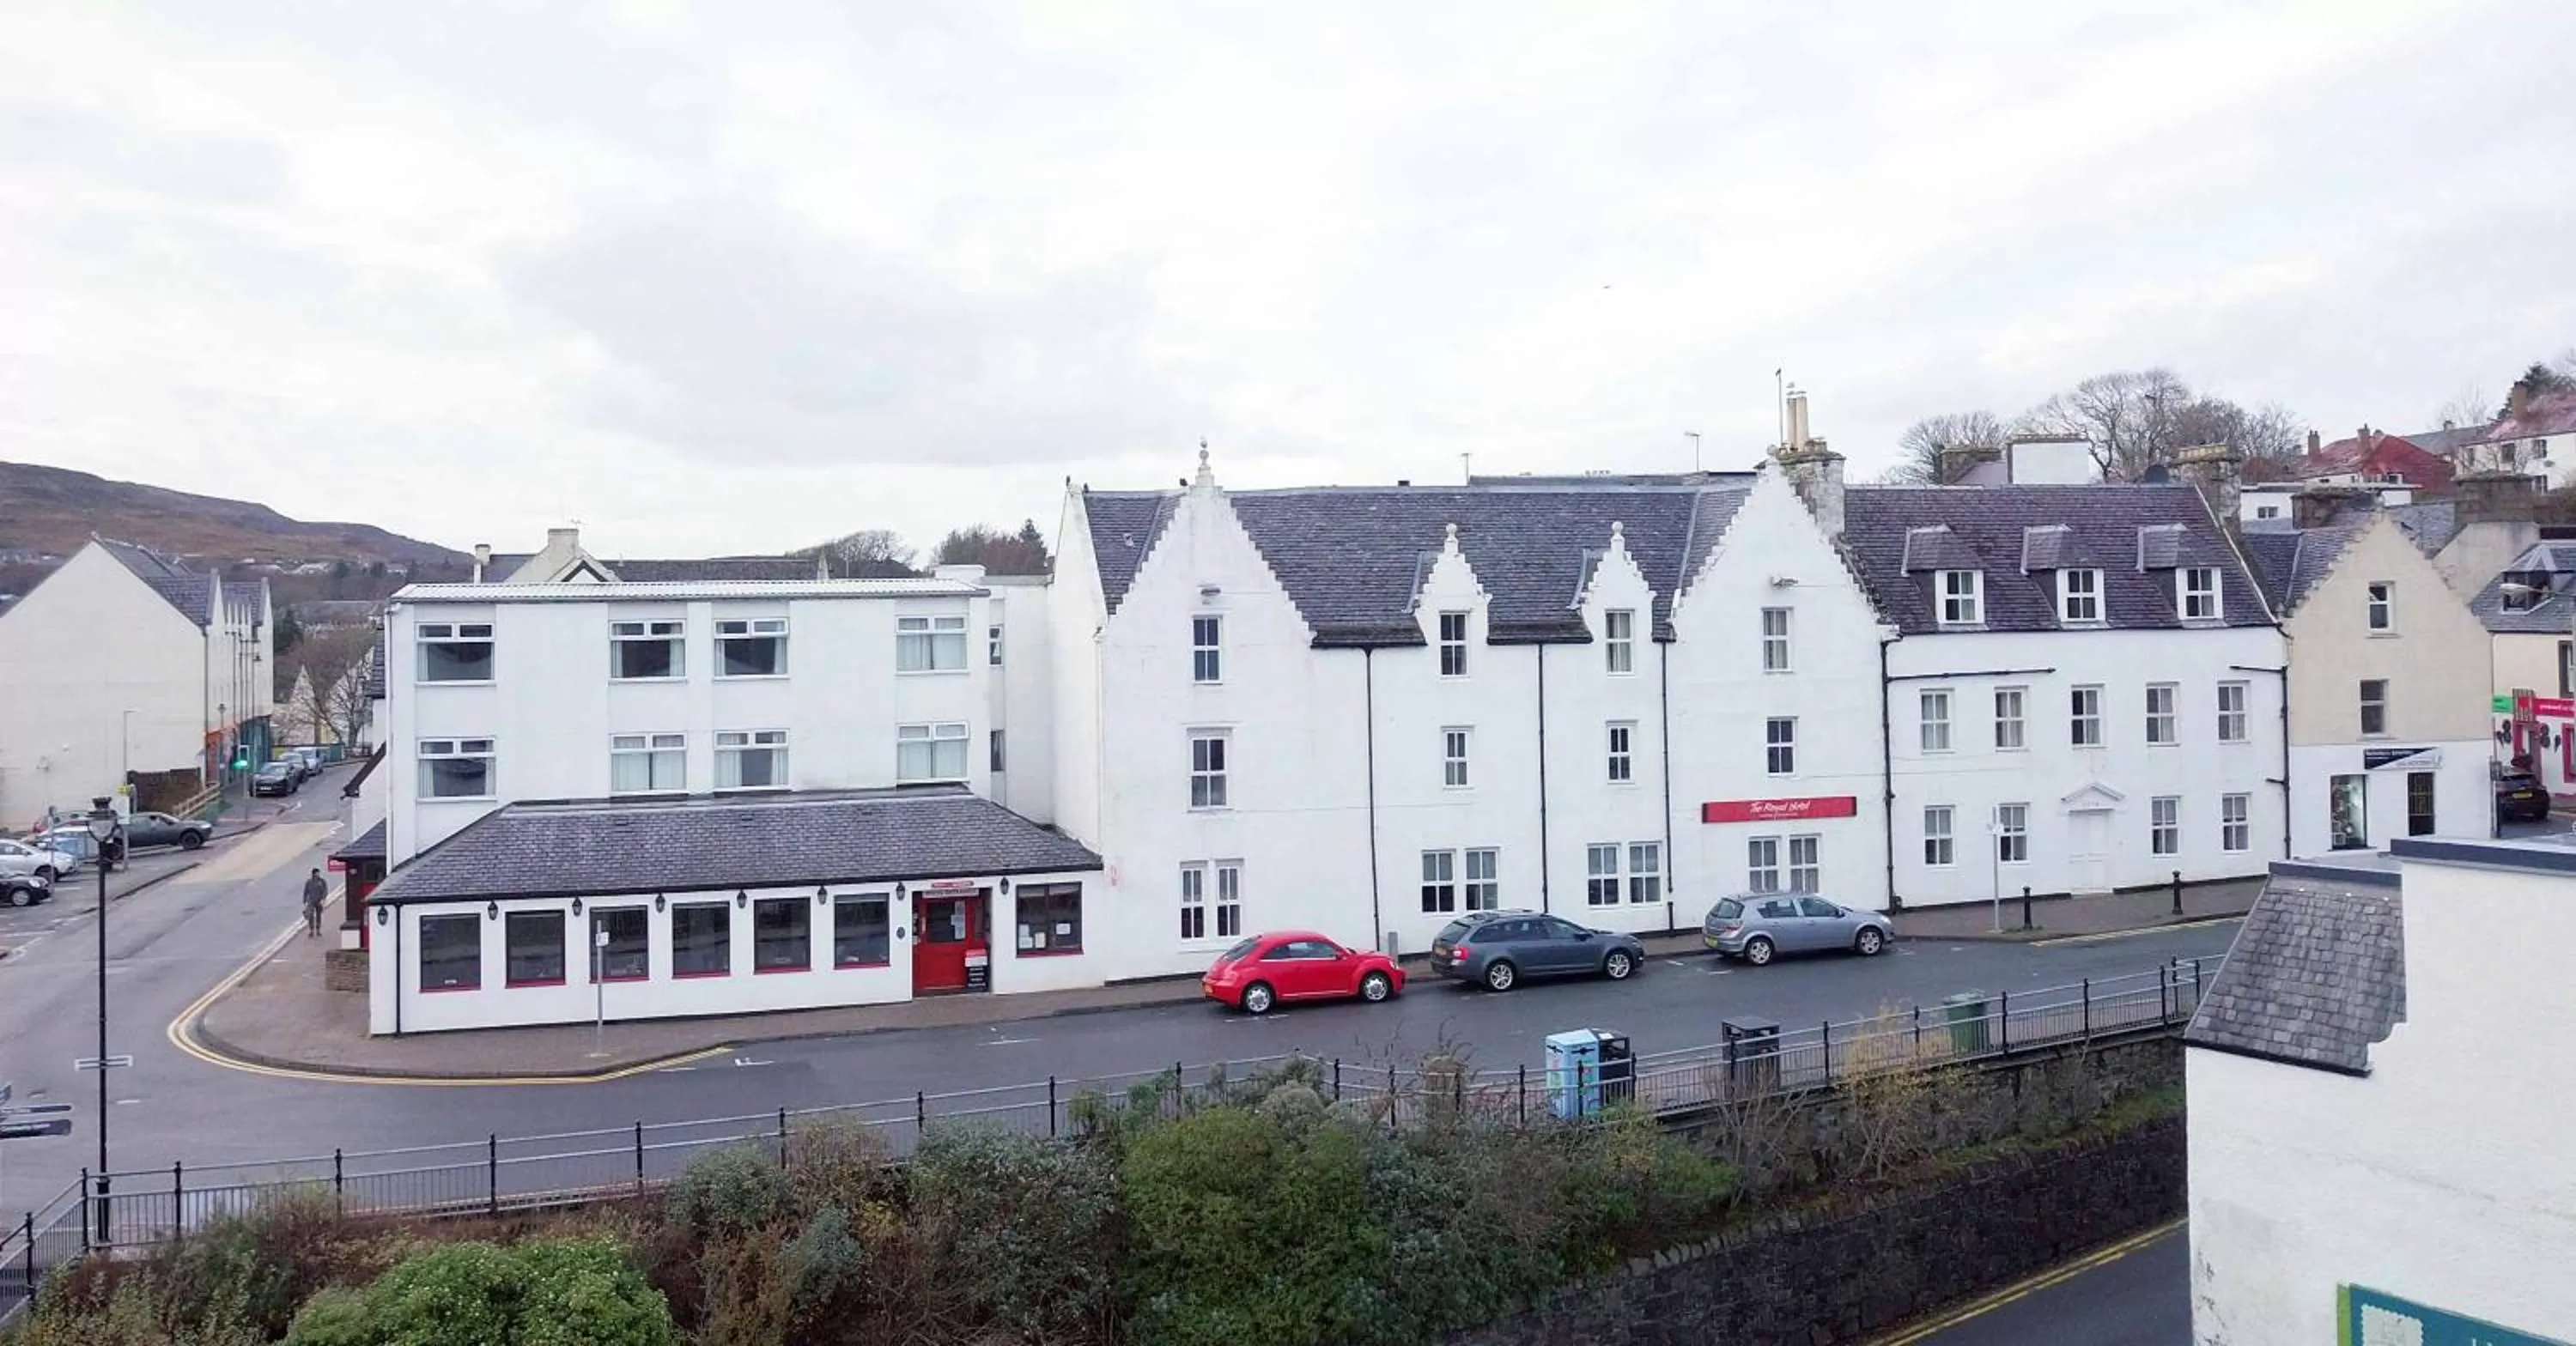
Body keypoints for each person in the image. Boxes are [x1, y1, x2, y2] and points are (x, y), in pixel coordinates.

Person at [301, 868, 329, 937]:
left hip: (319, 901)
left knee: (319, 915)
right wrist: (304, 900)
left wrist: (323, 899)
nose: (318, 874)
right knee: (310, 916)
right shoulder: (309, 882)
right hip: (311, 901)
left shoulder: (322, 881)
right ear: (314, 873)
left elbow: (325, 891)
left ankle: (318, 930)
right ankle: (311, 930)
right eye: (317, 873)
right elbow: (306, 891)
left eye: (319, 873)